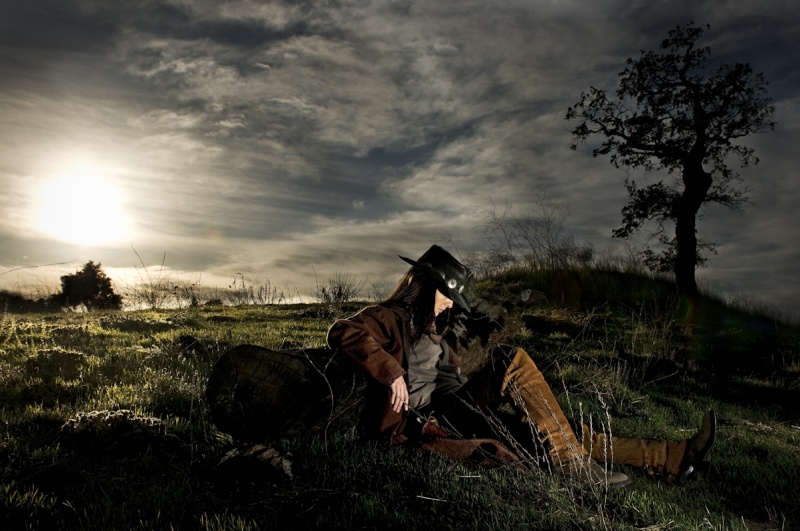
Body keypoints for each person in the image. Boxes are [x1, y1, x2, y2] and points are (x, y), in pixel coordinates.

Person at [327, 245, 716, 488]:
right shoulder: (389, 317)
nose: (448, 306)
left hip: (461, 411)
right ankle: (572, 467)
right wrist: (391, 373)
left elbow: (452, 378)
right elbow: (343, 331)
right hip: (427, 420)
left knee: (558, 429)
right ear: (426, 284)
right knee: (513, 360)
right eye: (446, 297)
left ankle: (670, 456)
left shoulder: (437, 336)